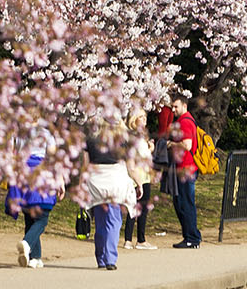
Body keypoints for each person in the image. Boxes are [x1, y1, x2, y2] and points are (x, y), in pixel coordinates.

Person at [81, 128, 139, 269]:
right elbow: (131, 167)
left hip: (96, 182)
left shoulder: (89, 137)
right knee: (113, 221)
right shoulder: (123, 138)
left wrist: (81, 184)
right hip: (115, 181)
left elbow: (85, 164)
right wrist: (139, 183)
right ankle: (110, 259)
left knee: (101, 222)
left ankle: (101, 258)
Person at [7, 132, 59, 268]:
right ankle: (27, 243)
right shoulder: (47, 134)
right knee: (42, 218)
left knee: (30, 216)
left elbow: (10, 154)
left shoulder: (17, 133)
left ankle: (35, 258)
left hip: (22, 173)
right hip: (40, 172)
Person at [163, 96, 201, 248]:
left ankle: (192, 237)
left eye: (176, 107)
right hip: (185, 168)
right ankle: (190, 235)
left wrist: (171, 144)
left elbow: (187, 145)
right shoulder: (188, 120)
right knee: (181, 202)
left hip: (186, 168)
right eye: (172, 107)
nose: (173, 110)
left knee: (185, 203)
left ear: (184, 106)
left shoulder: (185, 122)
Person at [122, 108, 158, 251]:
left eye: (145, 117)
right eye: (141, 117)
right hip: (138, 175)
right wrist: (150, 149)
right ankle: (137, 239)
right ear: (134, 119)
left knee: (137, 206)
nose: (144, 120)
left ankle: (131, 239)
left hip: (142, 174)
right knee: (138, 206)